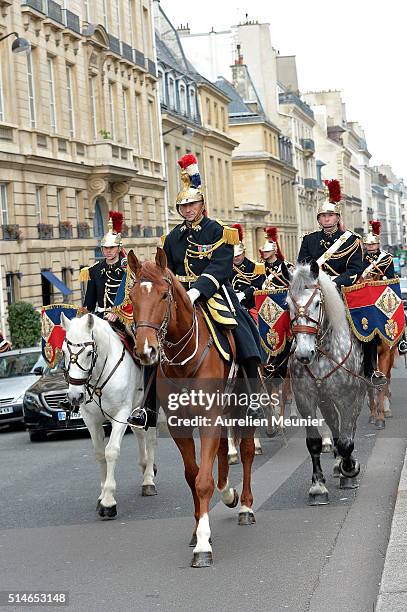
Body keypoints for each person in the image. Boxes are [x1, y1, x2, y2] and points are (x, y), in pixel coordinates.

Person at [128, 153, 263, 429]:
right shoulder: (171, 238)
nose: (188, 210)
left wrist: (196, 292)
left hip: (213, 291)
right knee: (157, 337)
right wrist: (173, 290)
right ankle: (148, 407)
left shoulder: (220, 232)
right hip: (177, 294)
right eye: (183, 206)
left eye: (192, 205)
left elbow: (221, 267)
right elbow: (167, 269)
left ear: (202, 205)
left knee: (241, 326)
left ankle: (254, 396)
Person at [297, 178, 385, 386]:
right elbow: (302, 265)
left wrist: (334, 282)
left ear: (337, 217)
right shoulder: (309, 240)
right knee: (296, 319)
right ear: (319, 219)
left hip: (343, 290)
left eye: (330, 215)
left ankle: (370, 370)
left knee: (367, 322)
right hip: (316, 291)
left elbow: (356, 269)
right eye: (323, 216)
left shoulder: (352, 240)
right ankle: (289, 365)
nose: (326, 219)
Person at [362, 220, 407, 354]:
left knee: (399, 312)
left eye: (373, 244)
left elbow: (390, 277)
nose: (370, 247)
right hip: (365, 292)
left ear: (378, 244)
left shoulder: (386, 258)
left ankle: (402, 341)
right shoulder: (360, 259)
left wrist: (381, 280)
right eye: (368, 244)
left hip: (382, 291)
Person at [80, 212, 127, 324]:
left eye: (112, 247)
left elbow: (133, 298)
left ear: (119, 248)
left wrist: (117, 312)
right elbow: (90, 302)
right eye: (105, 248)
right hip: (101, 318)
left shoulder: (127, 268)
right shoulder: (94, 270)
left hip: (124, 317)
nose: (108, 251)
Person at [230, 223, 265, 310]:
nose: (235, 258)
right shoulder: (227, 267)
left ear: (244, 253)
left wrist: (244, 294)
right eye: (233, 256)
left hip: (250, 306)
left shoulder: (255, 267)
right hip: (231, 305)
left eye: (238, 255)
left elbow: (259, 286)